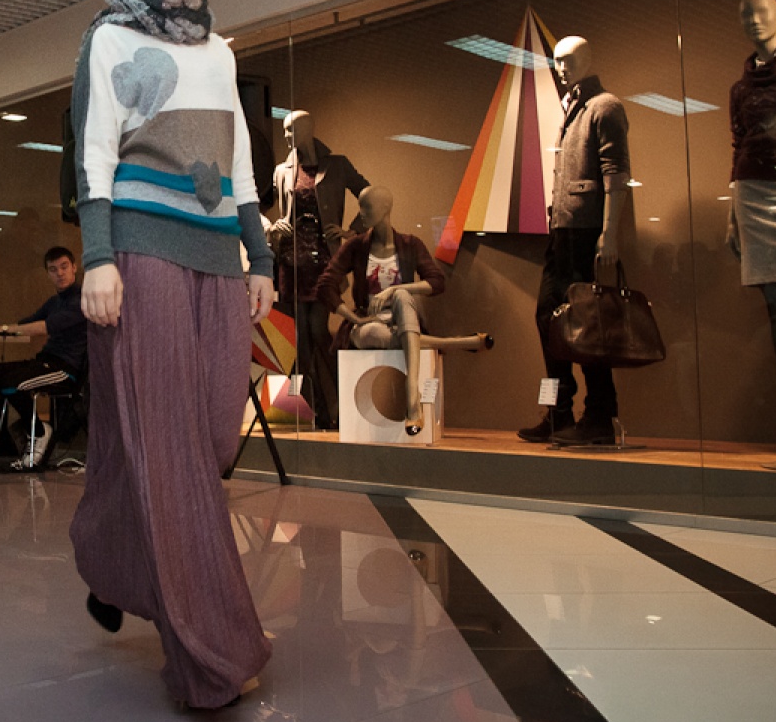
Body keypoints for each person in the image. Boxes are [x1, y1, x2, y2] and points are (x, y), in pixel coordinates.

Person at [68, 0, 275, 710]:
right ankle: (212, 653)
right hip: (141, 249)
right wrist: (98, 256)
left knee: (212, 434)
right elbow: (94, 152)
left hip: (216, 255)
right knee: (172, 451)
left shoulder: (219, 49)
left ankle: (114, 555)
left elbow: (241, 161)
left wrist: (258, 256)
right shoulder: (110, 39)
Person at [518, 35, 631, 446]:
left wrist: (609, 233)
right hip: (563, 232)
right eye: (557, 61)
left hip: (585, 232)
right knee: (549, 317)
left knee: (586, 322)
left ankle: (600, 414)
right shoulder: (573, 108)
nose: (562, 68)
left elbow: (616, 173)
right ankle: (559, 410)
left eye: (568, 60)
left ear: (588, 58)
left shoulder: (605, 106)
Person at [316, 185, 492, 428]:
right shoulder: (356, 246)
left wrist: (394, 289)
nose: (361, 213)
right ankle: (453, 343)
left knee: (401, 294)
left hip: (402, 318)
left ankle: (412, 399)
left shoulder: (410, 244)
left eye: (367, 207)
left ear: (385, 207)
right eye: (360, 207)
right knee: (374, 332)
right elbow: (325, 284)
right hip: (370, 323)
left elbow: (436, 282)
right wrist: (354, 318)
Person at [725, 0, 776, 468]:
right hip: (755, 197)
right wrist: (732, 213)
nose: (754, 20)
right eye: (745, 14)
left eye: (761, 11)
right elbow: (737, 146)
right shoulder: (740, 88)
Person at [269, 109, 369, 428]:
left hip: (324, 260)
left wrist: (351, 231)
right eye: (284, 130)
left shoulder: (337, 165)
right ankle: (313, 413)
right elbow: (269, 211)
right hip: (292, 261)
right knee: (299, 341)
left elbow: (368, 195)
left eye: (291, 129)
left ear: (308, 128)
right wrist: (274, 228)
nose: (286, 136)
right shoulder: (282, 170)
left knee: (317, 331)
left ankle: (338, 405)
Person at [0, 246, 87, 467]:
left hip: (64, 370)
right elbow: (26, 323)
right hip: (42, 362)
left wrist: (4, 328)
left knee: (9, 383)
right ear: (47, 273)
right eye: (53, 269)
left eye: (64, 267)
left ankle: (39, 432)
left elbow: (44, 327)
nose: (60, 273)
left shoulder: (82, 300)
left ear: (74, 267)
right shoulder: (54, 302)